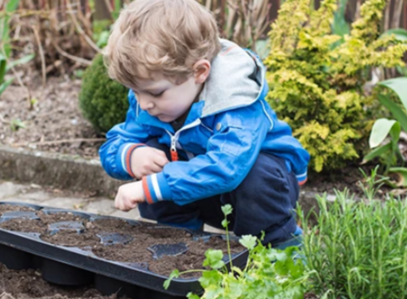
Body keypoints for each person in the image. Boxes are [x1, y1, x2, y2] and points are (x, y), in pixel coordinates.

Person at [98, 0, 310, 245]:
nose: (144, 104)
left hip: (260, 196)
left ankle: (279, 248)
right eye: (135, 91)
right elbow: (115, 142)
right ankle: (180, 240)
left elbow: (226, 167)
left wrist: (152, 187)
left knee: (257, 174)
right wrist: (131, 155)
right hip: (201, 191)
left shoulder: (237, 101)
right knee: (154, 157)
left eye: (155, 93)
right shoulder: (151, 101)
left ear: (199, 72)